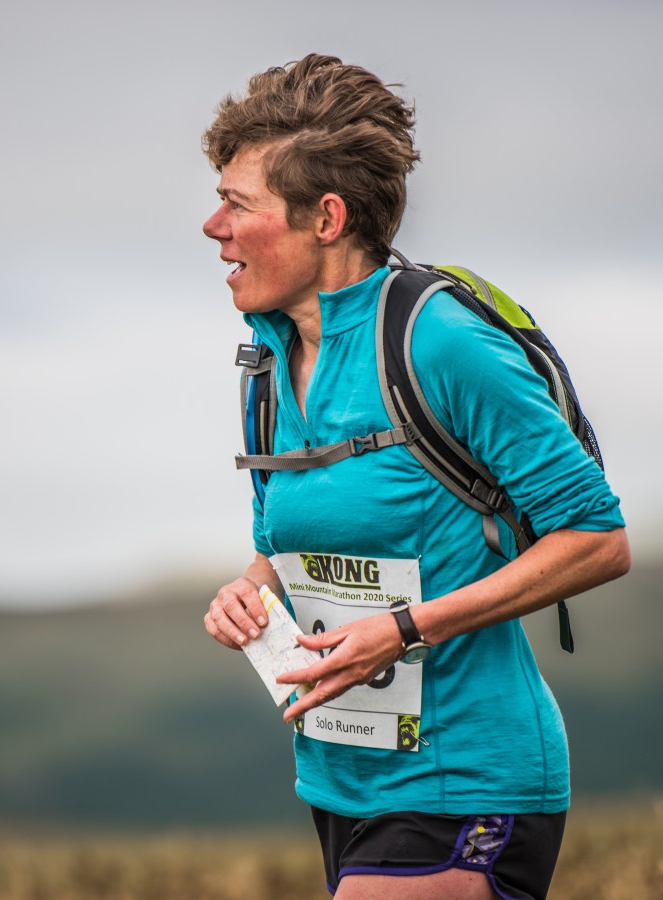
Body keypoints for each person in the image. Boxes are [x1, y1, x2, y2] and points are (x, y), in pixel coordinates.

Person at [201, 54, 630, 900]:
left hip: (469, 775)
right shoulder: (266, 361)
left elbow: (599, 540)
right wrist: (248, 591)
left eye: (236, 204)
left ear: (325, 217)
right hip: (338, 783)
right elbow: (287, 545)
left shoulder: (439, 343)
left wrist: (403, 630)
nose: (212, 226)